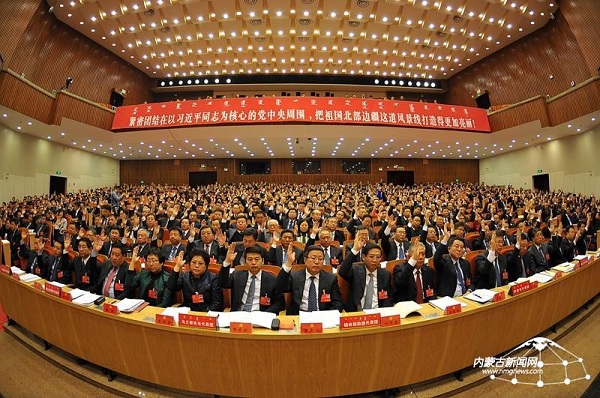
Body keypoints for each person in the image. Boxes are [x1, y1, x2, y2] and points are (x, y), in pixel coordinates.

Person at [275, 245, 343, 315]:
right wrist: (288, 263)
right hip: (299, 316)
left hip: (322, 316)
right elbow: (280, 287)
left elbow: (337, 303)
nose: (317, 262)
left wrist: (327, 317)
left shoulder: (331, 279)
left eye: (320, 259)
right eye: (313, 258)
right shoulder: (295, 276)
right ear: (305, 260)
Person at [218, 244, 285, 313]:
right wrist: (227, 261)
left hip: (261, 316)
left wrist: (265, 314)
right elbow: (222, 283)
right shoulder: (237, 275)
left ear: (262, 261)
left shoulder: (272, 279)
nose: (253, 263)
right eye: (250, 259)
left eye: (257, 259)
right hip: (239, 315)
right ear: (245, 261)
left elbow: (280, 303)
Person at [338, 234, 393, 312]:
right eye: (371, 256)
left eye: (378, 257)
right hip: (358, 312)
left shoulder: (385, 274)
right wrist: (355, 250)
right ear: (363, 257)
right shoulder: (356, 270)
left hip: (378, 311)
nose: (374, 260)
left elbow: (388, 296)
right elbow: (342, 271)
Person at [433, 228, 473, 298]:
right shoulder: (443, 262)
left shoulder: (465, 263)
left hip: (465, 296)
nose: (459, 249)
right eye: (456, 246)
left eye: (462, 247)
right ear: (449, 249)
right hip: (449, 299)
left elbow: (471, 280)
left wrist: (469, 291)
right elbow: (436, 258)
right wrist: (446, 239)